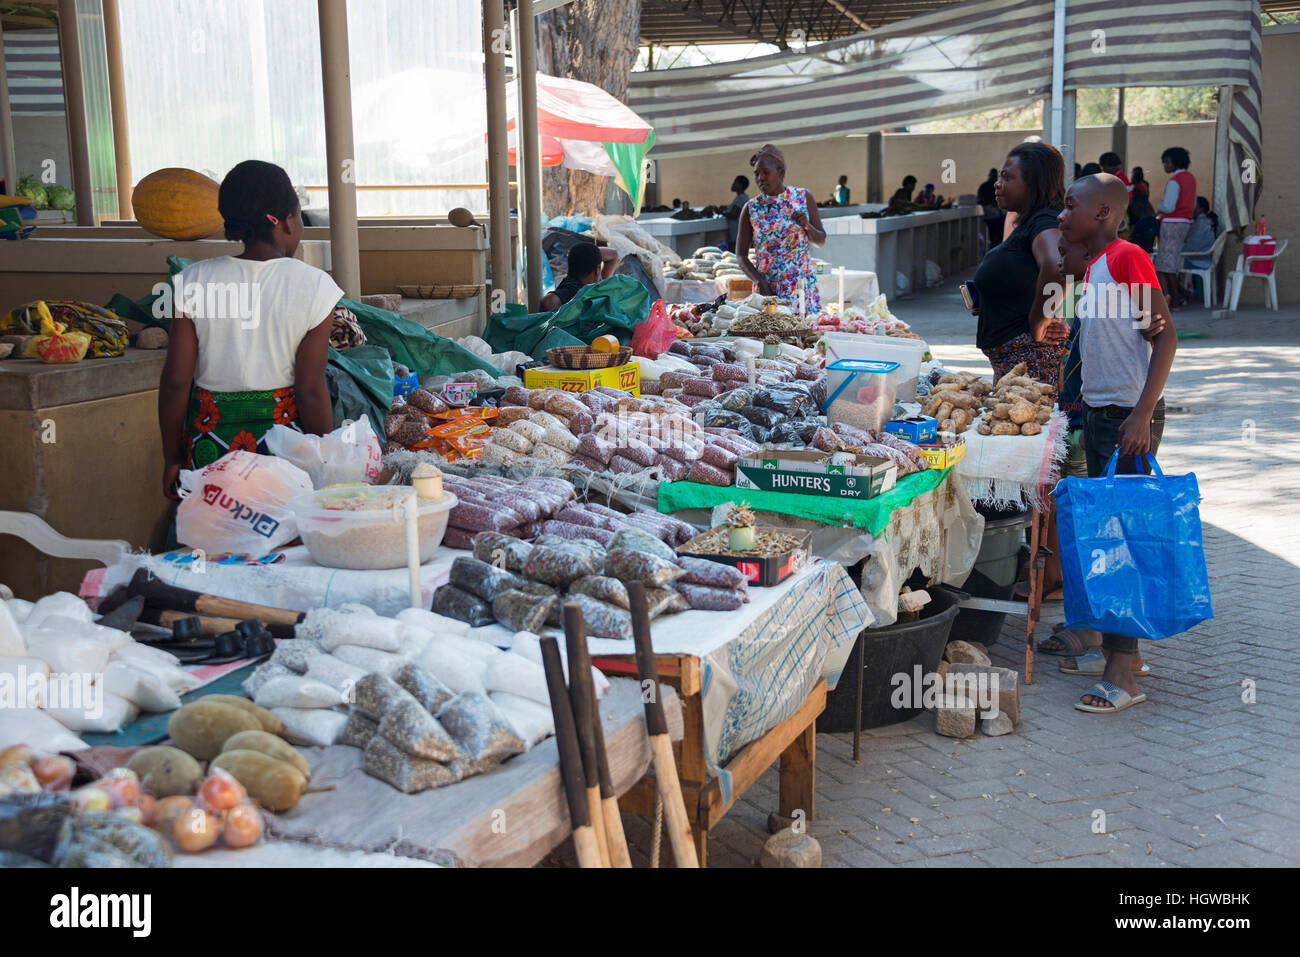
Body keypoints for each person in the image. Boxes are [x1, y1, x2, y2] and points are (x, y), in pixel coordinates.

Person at [1056, 173, 1177, 713]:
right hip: (1105, 416)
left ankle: (1123, 675)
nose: (1061, 215)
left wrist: (1143, 414)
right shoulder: (1095, 269)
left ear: (1103, 212)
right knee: (1108, 536)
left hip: (1129, 419)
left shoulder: (1128, 257)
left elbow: (1164, 335)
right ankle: (1120, 651)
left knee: (1122, 540)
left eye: (1069, 205)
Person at [159, 160, 338, 499]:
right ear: (286, 222)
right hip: (284, 456)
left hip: (209, 452)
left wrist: (172, 458)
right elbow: (311, 389)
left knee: (214, 538)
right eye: (300, 215)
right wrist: (324, 461)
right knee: (283, 544)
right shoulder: (315, 285)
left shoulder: (194, 281)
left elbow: (176, 382)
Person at [972, 141, 1070, 391]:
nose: (997, 184)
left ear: (1033, 183)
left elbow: (1058, 267)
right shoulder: (1027, 223)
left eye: (1006, 177)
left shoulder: (1044, 222)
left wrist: (1039, 322)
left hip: (1029, 363)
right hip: (1015, 362)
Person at [736, 144, 825, 311]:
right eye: (756, 174)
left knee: (805, 335)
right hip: (768, 290)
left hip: (801, 288)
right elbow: (741, 255)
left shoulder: (803, 197)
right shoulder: (751, 208)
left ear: (781, 172)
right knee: (770, 335)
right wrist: (760, 282)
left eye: (766, 172)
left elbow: (820, 240)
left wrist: (807, 226)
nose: (760, 178)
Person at [1154, 146, 1197, 309]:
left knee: (1165, 265)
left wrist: (1160, 205)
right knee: (1168, 263)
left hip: (1172, 222)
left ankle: (1173, 299)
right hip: (1185, 221)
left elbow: (1169, 206)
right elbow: (1192, 203)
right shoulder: (1191, 178)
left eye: (1166, 162)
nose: (1165, 165)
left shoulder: (1174, 181)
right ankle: (1180, 294)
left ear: (1174, 163)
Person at [539, 241, 618, 312]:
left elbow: (614, 255)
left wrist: (585, 255)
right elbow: (613, 255)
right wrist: (590, 255)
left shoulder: (559, 297)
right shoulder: (598, 293)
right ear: (597, 270)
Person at [976, 168, 1004, 252]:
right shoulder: (987, 187)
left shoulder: (986, 186)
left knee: (995, 238)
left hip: (994, 216)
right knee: (994, 238)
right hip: (991, 216)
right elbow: (980, 200)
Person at [723, 175, 750, 250]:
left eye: (735, 183)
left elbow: (734, 214)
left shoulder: (741, 198)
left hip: (736, 233)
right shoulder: (741, 197)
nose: (733, 184)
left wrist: (722, 212)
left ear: (740, 185)